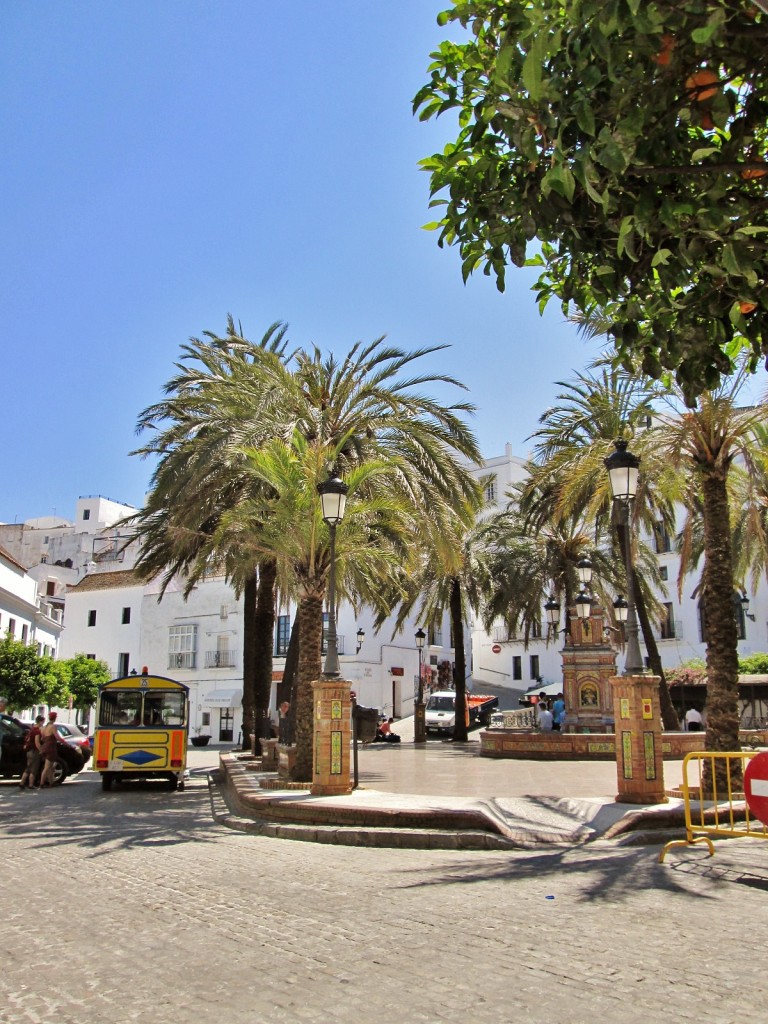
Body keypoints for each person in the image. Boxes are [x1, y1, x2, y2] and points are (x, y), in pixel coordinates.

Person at [20, 715, 45, 789]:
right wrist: (41, 750)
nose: (43, 723)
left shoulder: (32, 729)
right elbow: (37, 743)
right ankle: (31, 784)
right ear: (40, 721)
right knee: (34, 769)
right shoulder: (37, 731)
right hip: (34, 751)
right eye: (43, 721)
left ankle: (22, 783)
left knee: (28, 768)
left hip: (29, 751)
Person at [38, 712, 60, 788]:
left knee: (50, 767)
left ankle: (51, 782)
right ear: (55, 718)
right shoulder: (52, 727)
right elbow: (57, 737)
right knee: (47, 767)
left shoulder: (43, 728)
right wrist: (64, 742)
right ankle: (41, 783)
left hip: (45, 747)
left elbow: (42, 738)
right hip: (51, 748)